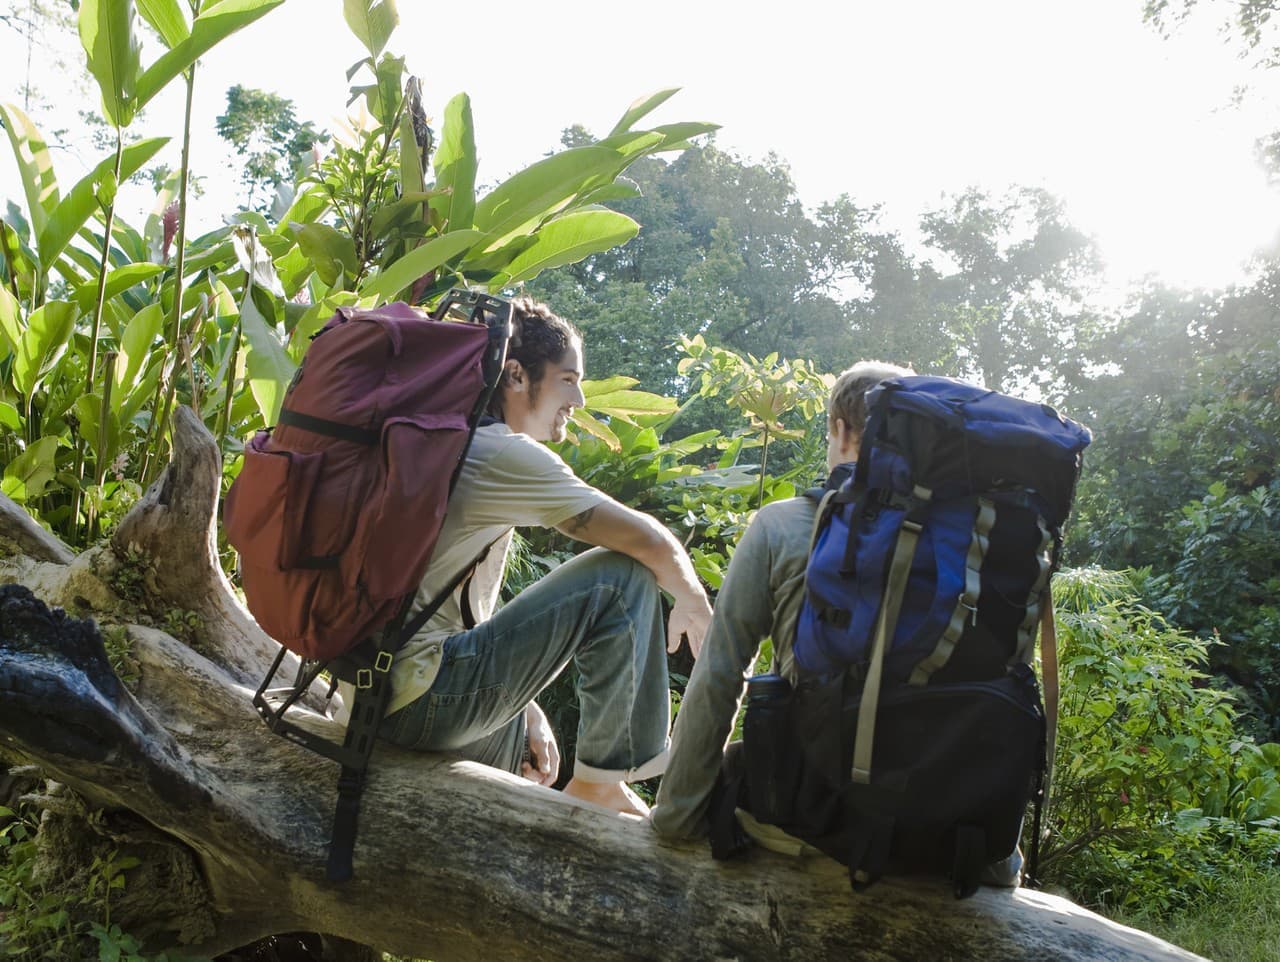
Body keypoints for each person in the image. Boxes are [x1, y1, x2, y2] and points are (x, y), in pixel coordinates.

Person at [360, 296, 712, 818]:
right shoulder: (501, 452)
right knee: (619, 577)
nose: (581, 398)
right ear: (517, 376)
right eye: (568, 379)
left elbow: (448, 613)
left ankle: (580, 797)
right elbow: (647, 540)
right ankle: (602, 781)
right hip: (418, 701)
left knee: (527, 771)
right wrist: (690, 594)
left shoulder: (450, 444)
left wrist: (525, 711)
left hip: (373, 695)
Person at [650, 361, 911, 840]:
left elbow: (721, 675)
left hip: (812, 819)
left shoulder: (782, 524)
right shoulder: (967, 542)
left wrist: (673, 820)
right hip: (938, 830)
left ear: (840, 430)